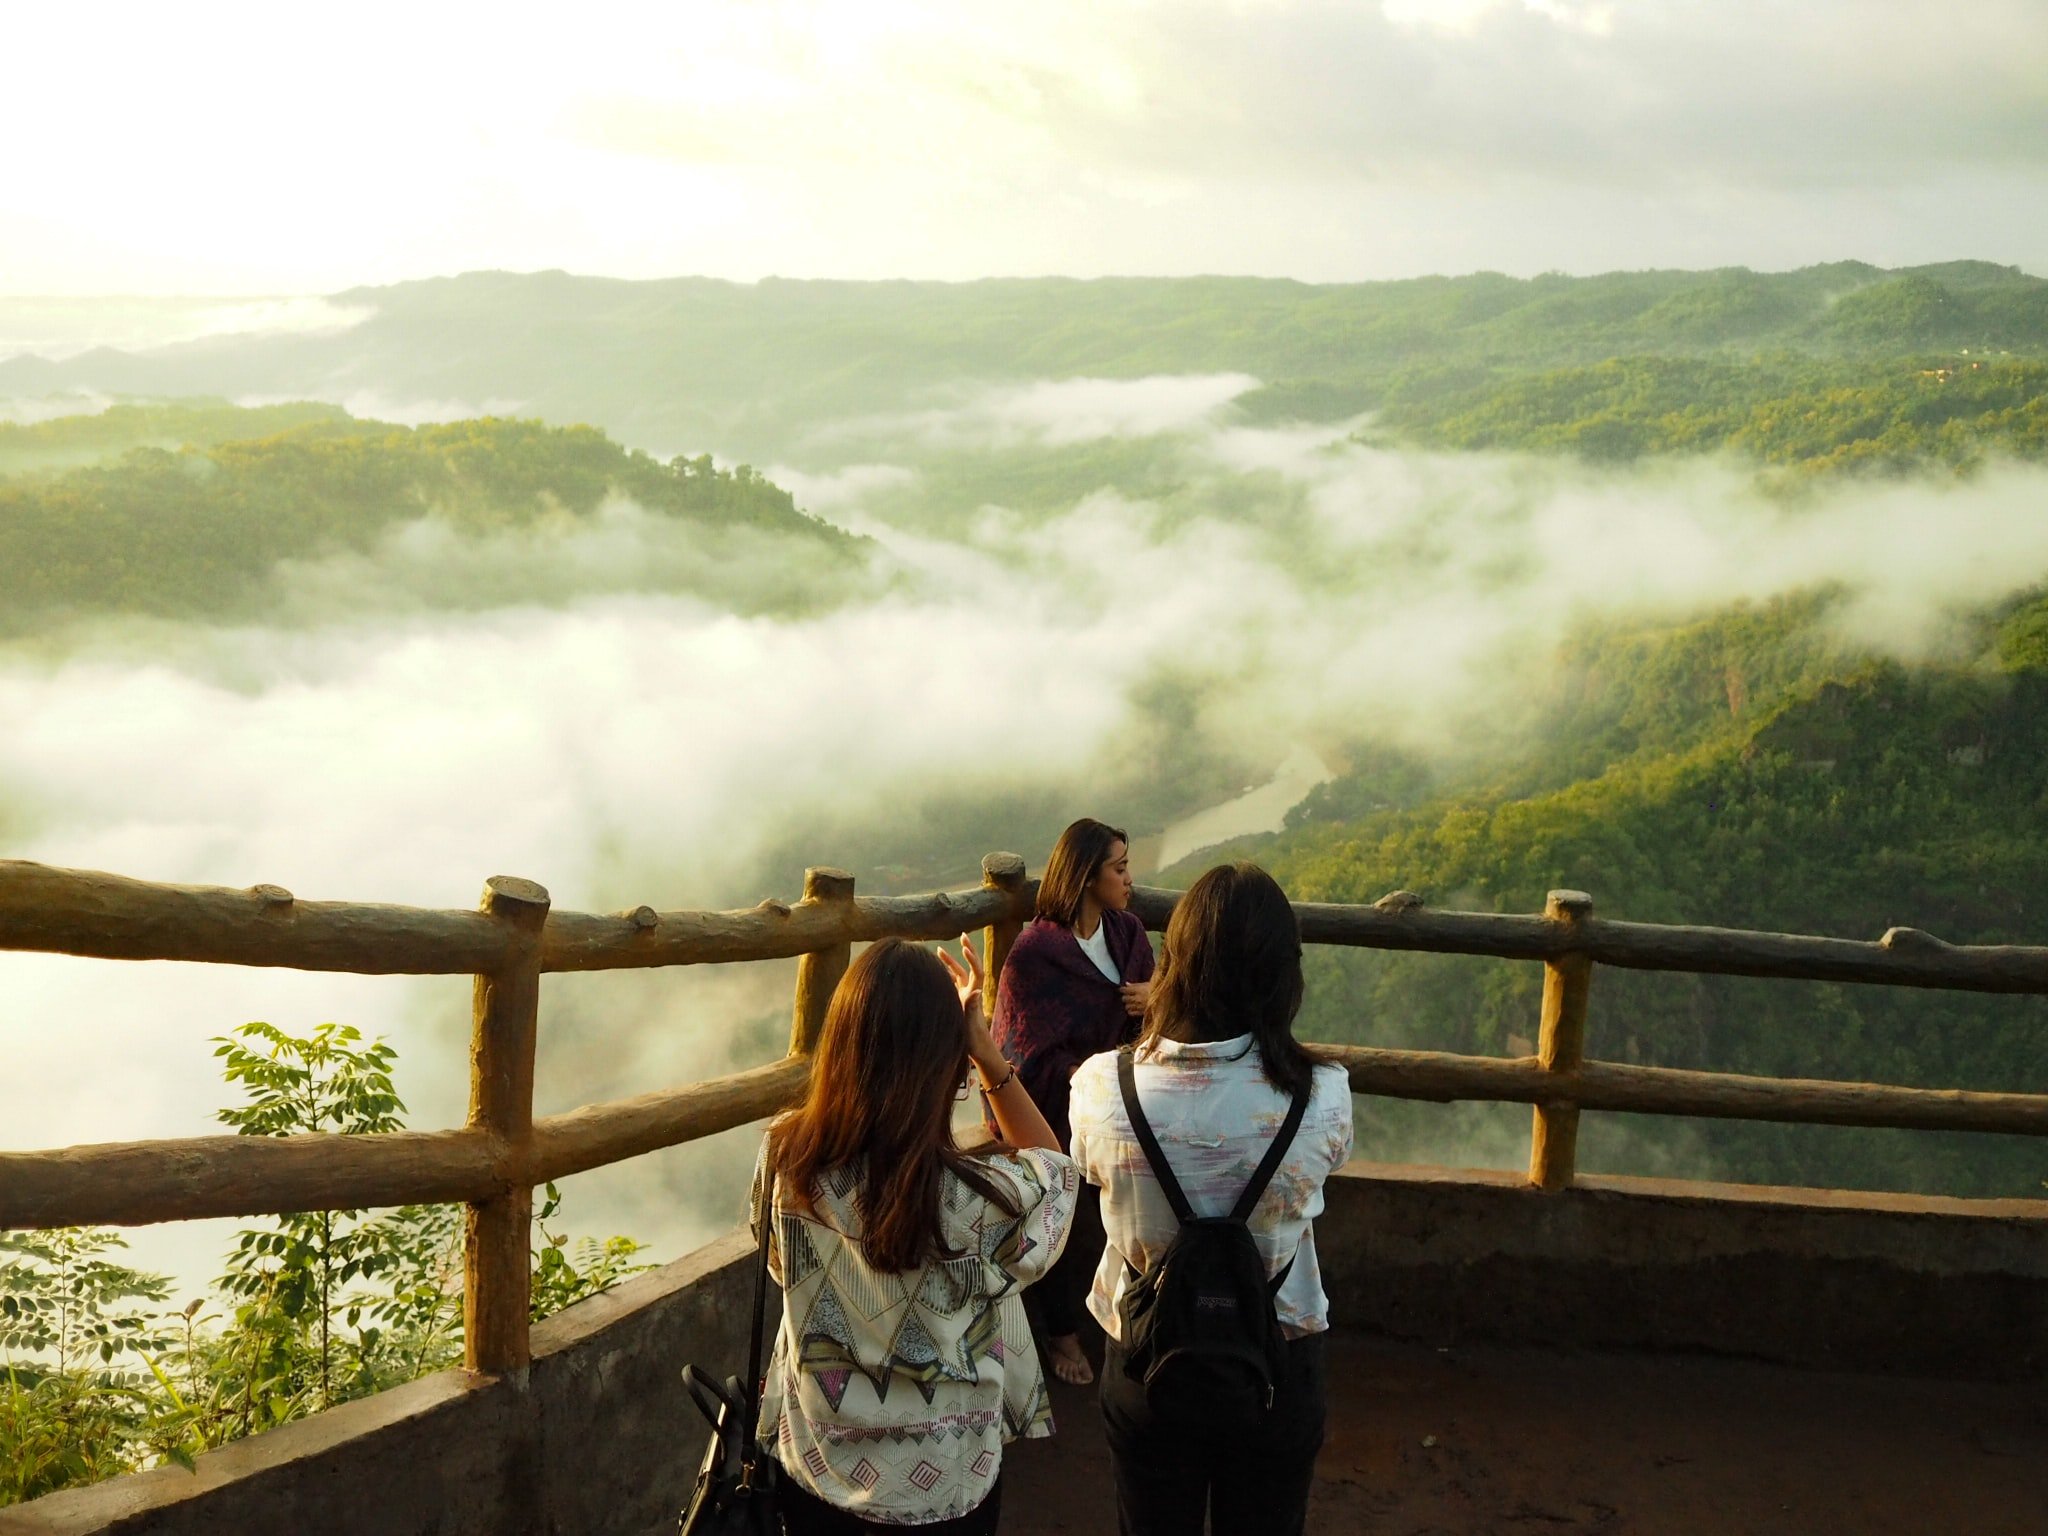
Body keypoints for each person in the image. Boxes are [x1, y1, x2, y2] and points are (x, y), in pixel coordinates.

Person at [1068, 862, 1355, 1536]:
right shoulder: (1322, 1096)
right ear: (1285, 973)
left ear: (1175, 963)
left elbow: (1085, 1170)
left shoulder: (1103, 1088)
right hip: (1277, 1362)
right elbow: (1323, 1173)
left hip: (1146, 1359)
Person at [755, 936, 1079, 1534]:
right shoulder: (981, 1200)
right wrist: (985, 1049)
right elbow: (1054, 1166)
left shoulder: (787, 1158)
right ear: (945, 1064)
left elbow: (781, 1267)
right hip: (948, 1485)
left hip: (819, 1468)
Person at [990, 817, 1155, 1387]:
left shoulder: (1129, 934)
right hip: (1058, 1113)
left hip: (1126, 1105)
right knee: (1063, 1215)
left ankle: (1135, 1314)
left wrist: (1156, 997)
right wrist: (1094, 1076)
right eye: (1120, 867)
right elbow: (1023, 1052)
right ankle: (1062, 1332)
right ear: (1087, 876)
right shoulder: (1037, 953)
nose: (1130, 878)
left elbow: (1160, 1024)